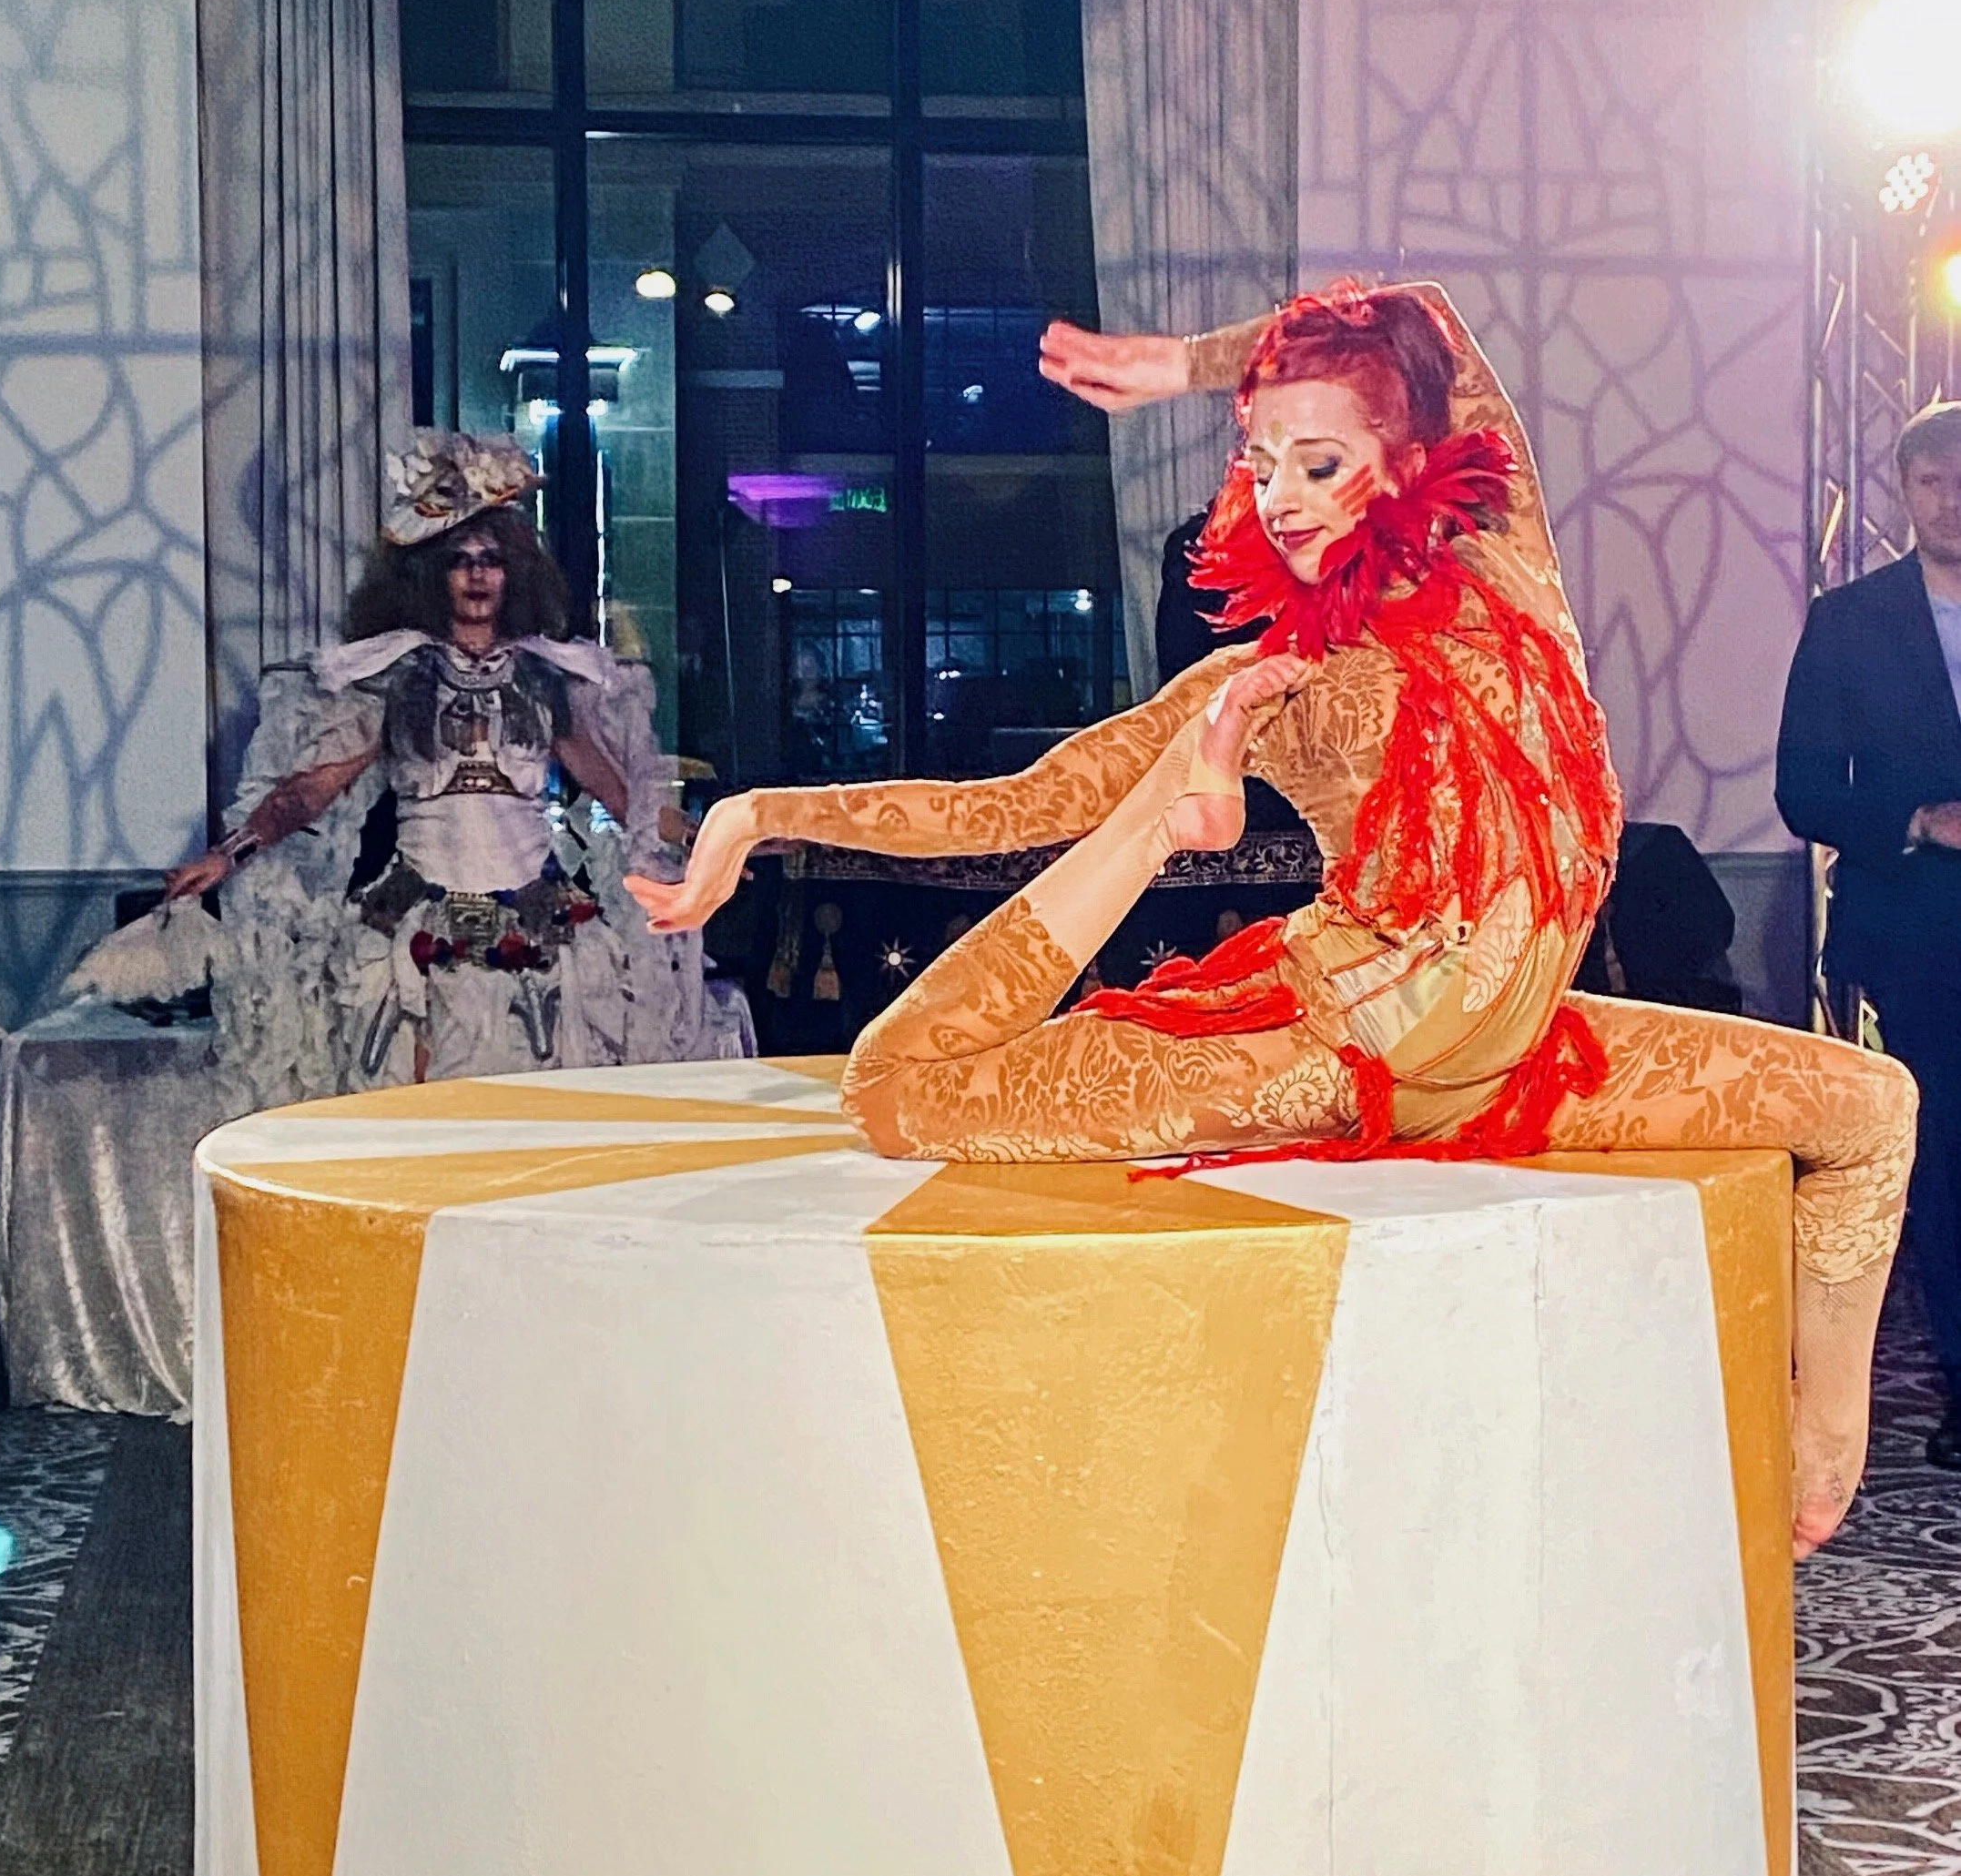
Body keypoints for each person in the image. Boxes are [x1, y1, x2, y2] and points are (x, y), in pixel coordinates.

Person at [633, 285, 1916, 1555]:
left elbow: (1422, 313)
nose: (1282, 494)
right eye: (1259, 465)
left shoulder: (1506, 565)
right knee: (900, 1092)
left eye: (1319, 460)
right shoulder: (1263, 682)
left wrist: (1192, 362)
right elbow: (1016, 805)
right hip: (1326, 1047)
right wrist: (763, 811)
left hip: (1524, 1065)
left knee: (1870, 1108)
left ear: (1409, 459)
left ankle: (1826, 1436)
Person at [166, 430, 702, 1084]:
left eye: (491, 559)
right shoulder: (396, 674)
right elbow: (309, 792)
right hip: (416, 931)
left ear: (514, 573)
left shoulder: (544, 676)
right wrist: (230, 854)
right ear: (430, 577)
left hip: (541, 927)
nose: (478, 573)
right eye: (460, 559)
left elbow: (625, 800)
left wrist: (709, 845)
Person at [1777, 398, 1961, 1467]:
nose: (1950, 499)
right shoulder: (1847, 622)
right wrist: (1917, 822)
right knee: (1944, 1157)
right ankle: (1956, 1385)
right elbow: (1803, 791)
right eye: (1931, 480)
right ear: (1902, 492)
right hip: (1914, 928)